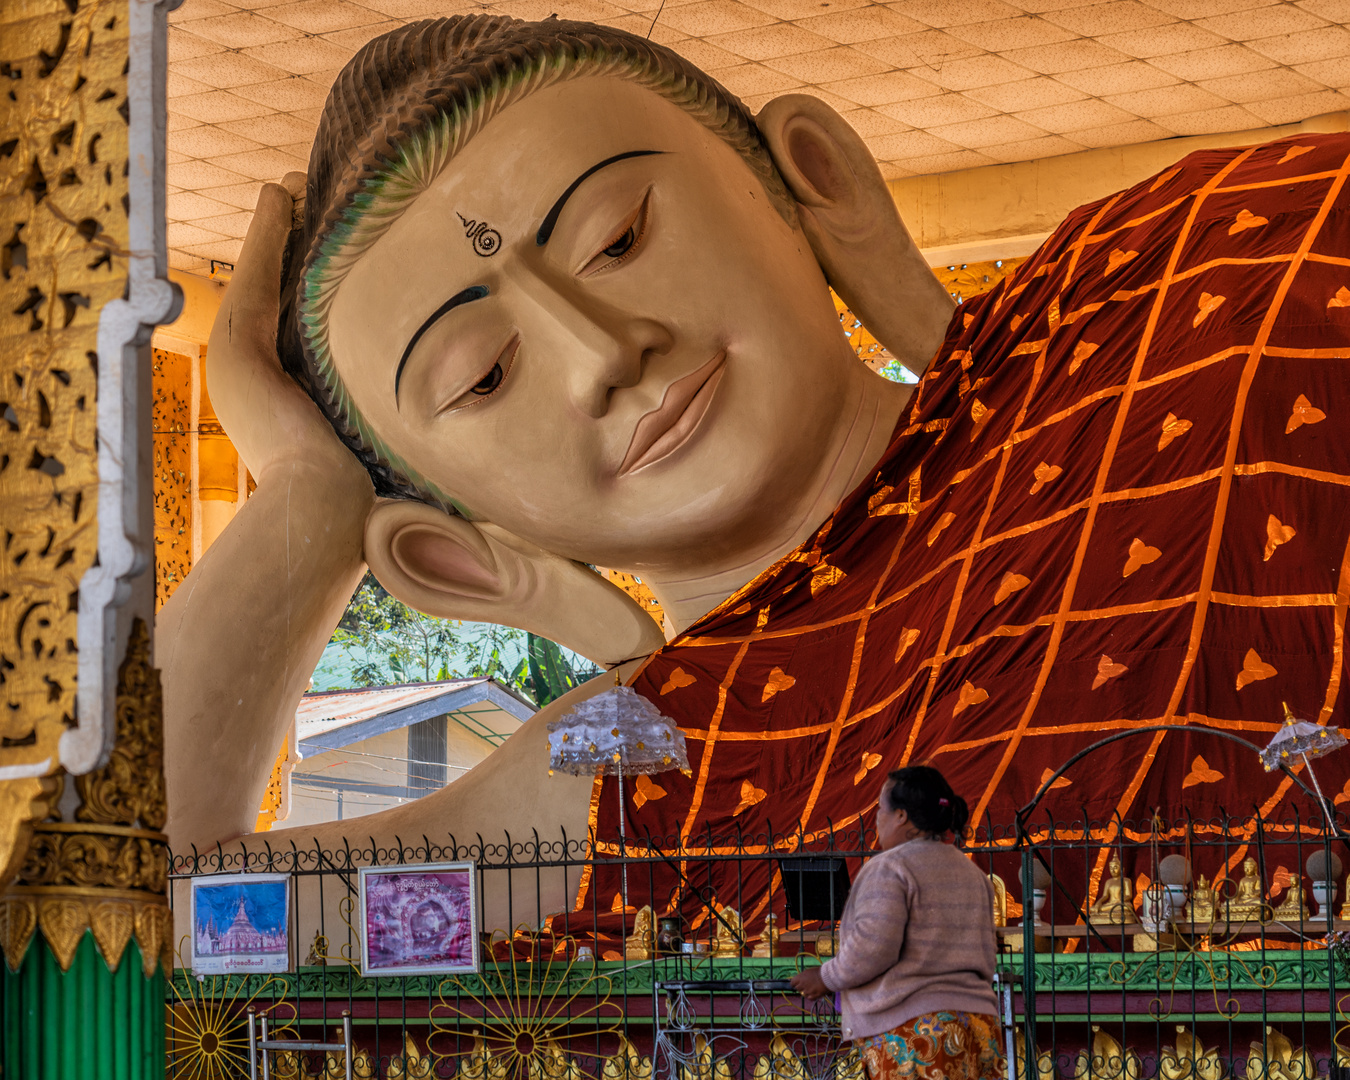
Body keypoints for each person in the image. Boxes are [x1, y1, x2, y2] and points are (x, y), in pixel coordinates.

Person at [160, 12, 1350, 934]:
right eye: (483, 375)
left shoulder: (1195, 274)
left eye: (618, 237)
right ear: (453, 551)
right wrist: (306, 504)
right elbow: (122, 908)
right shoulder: (637, 771)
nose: (605, 352)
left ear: (809, 182)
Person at [790, 767, 1002, 1080]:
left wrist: (825, 977)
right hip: (979, 1028)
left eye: (880, 809)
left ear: (901, 816)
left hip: (917, 1034)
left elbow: (873, 948)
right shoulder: (971, 873)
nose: (877, 819)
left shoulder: (891, 867)